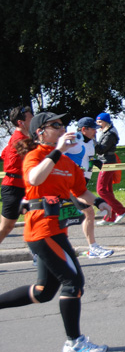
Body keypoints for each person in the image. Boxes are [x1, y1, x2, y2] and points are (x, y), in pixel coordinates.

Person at [0, 111, 110, 352]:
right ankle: (74, 343)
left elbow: (81, 191)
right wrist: (57, 150)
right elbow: (35, 179)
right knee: (73, 282)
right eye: (56, 125)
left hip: (56, 230)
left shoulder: (67, 163)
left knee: (43, 292)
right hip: (41, 230)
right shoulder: (35, 155)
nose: (63, 128)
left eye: (63, 124)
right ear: (40, 132)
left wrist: (101, 203)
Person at [64, 117, 114, 258]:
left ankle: (53, 249)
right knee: (89, 213)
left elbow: (88, 157)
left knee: (70, 216)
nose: (95, 131)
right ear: (84, 129)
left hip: (82, 183)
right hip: (71, 185)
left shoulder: (91, 142)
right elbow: (58, 155)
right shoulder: (73, 141)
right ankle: (92, 248)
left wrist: (94, 162)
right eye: (93, 129)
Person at [0, 106, 33, 245]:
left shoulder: (26, 138)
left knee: (36, 221)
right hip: (13, 187)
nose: (33, 119)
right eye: (30, 117)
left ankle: (39, 256)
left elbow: (3, 155)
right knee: (6, 227)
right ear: (21, 122)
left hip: (27, 187)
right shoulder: (20, 139)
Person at [95, 112, 125, 225]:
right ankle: (110, 217)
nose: (98, 124)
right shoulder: (106, 132)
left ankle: (121, 210)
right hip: (105, 162)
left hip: (107, 163)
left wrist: (92, 141)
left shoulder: (110, 134)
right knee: (108, 190)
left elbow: (101, 149)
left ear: (105, 122)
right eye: (97, 122)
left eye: (100, 122)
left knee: (101, 190)